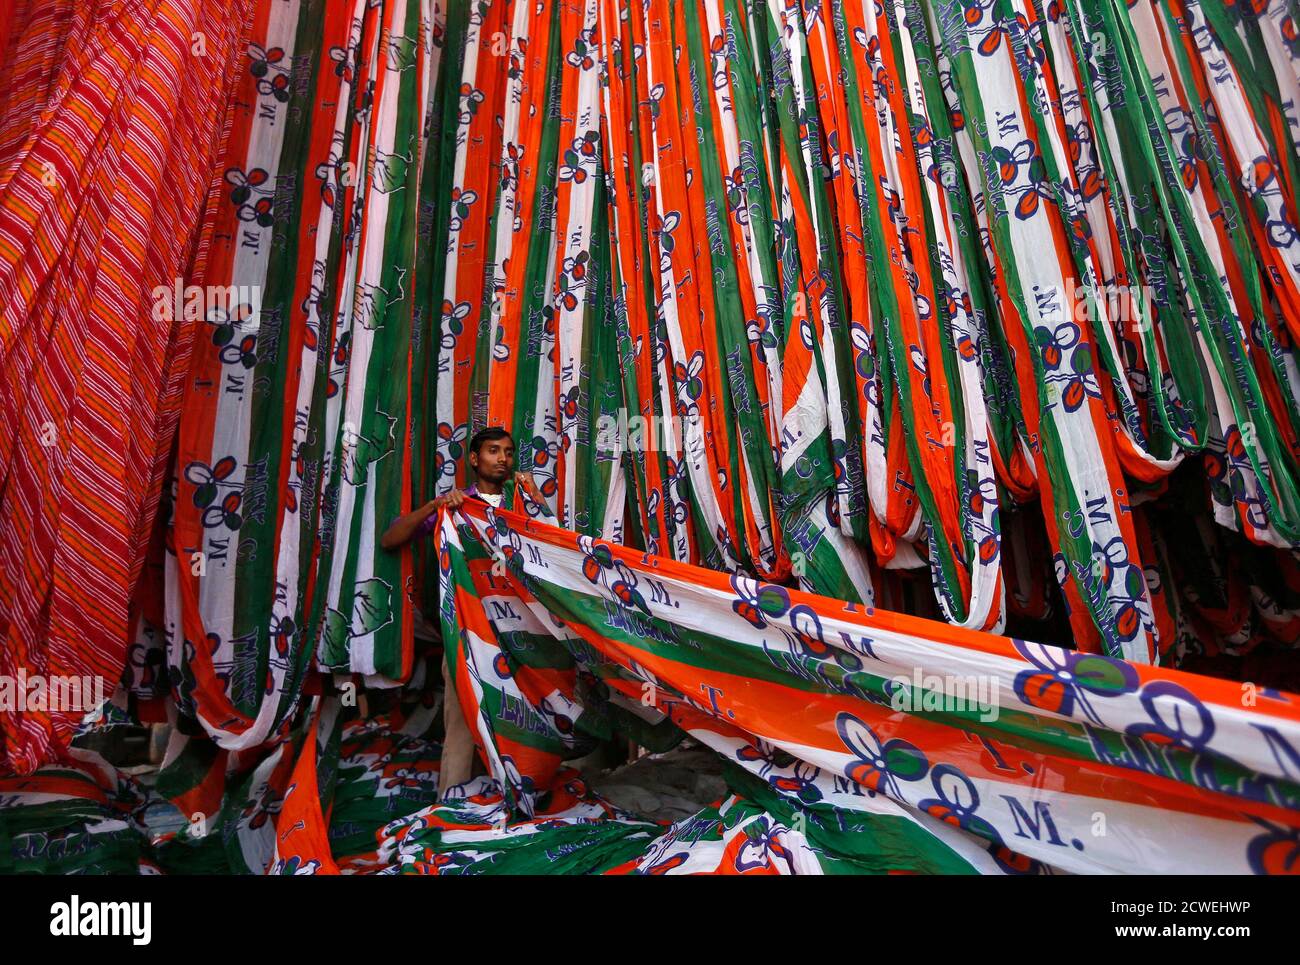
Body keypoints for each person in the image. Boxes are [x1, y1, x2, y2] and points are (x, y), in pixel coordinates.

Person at [380, 426, 549, 800]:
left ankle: (516, 803)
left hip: (518, 637)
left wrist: (536, 499)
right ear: (474, 460)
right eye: (492, 451)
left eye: (507, 451)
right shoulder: (456, 507)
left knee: (522, 723)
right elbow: (391, 539)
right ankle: (451, 807)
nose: (502, 458)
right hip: (467, 634)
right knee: (460, 725)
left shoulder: (519, 505)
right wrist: (435, 507)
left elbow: (554, 550)